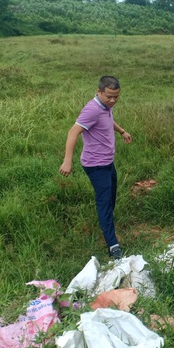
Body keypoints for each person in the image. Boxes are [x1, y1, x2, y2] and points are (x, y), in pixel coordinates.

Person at [59, 76, 132, 259]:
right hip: (96, 165)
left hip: (107, 162)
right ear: (98, 92)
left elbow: (108, 120)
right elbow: (73, 132)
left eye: (116, 97)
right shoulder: (91, 109)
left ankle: (107, 226)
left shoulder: (105, 106)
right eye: (109, 96)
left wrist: (122, 131)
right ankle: (112, 244)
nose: (113, 100)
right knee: (104, 202)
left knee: (111, 197)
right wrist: (68, 161)